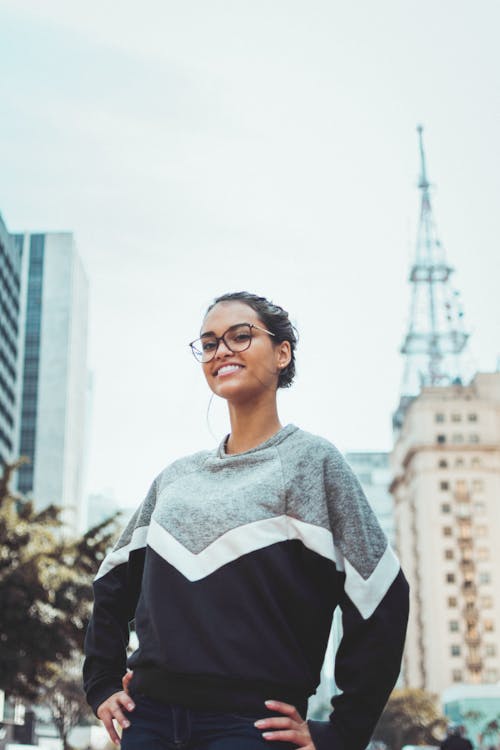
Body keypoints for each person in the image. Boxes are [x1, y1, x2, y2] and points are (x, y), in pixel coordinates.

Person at [83, 291, 410, 750]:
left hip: (253, 728)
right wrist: (101, 682)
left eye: (240, 337)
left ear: (282, 353)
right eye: (210, 343)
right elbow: (113, 582)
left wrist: (342, 732)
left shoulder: (313, 463)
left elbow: (382, 593)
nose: (222, 351)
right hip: (150, 722)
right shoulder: (175, 478)